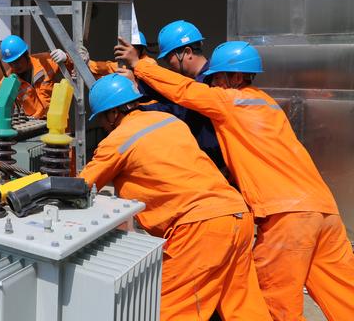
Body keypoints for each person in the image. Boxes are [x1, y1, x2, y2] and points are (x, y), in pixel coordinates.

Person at [115, 38, 354, 320]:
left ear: (236, 77)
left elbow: (184, 90)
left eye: (217, 78)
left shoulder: (229, 101)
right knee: (345, 294)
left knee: (275, 302)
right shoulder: (268, 104)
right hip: (324, 210)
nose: (213, 84)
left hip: (287, 215)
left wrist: (140, 65)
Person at [79, 74, 272, 321]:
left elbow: (82, 186)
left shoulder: (117, 140)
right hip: (237, 214)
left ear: (113, 113)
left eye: (102, 119)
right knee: (243, 307)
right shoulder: (169, 121)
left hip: (199, 226)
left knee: (170, 311)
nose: (103, 126)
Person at [0, 34, 73, 119]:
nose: (15, 65)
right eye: (11, 63)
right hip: (33, 124)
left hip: (56, 121)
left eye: (17, 61)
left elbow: (76, 69)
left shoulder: (45, 62)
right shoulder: (6, 82)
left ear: (26, 55)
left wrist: (66, 59)